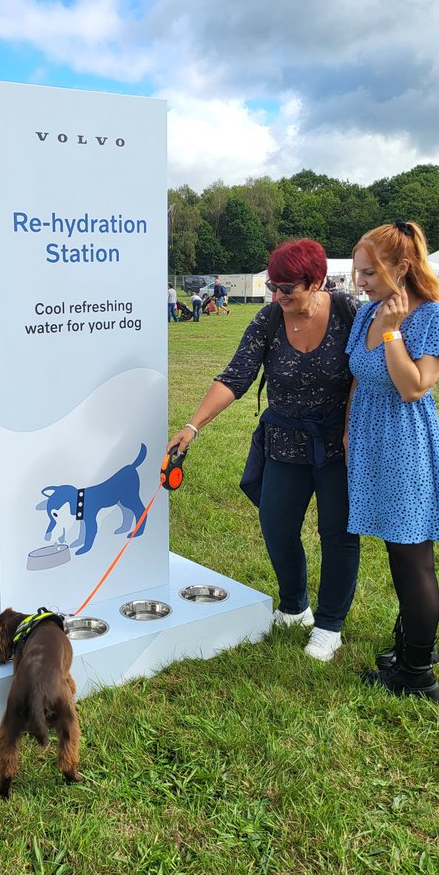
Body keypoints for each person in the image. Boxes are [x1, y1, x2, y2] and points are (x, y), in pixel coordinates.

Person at [168, 240, 360, 662]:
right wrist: (192, 425)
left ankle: (329, 624)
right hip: (285, 441)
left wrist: (352, 429)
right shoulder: (269, 318)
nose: (278, 295)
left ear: (317, 281)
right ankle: (294, 607)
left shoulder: (349, 313)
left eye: (288, 287)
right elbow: (236, 375)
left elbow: (367, 375)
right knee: (276, 525)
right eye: (274, 285)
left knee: (338, 534)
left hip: (339, 445)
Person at [346, 220, 439, 702]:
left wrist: (394, 333)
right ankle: (408, 648)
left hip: (406, 446)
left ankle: (418, 673)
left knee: (413, 557)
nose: (360, 282)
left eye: (370, 274)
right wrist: (348, 438)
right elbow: (358, 379)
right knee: (398, 554)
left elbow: (413, 386)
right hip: (371, 444)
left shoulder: (435, 316)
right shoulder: (365, 314)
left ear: (403, 266)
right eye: (358, 272)